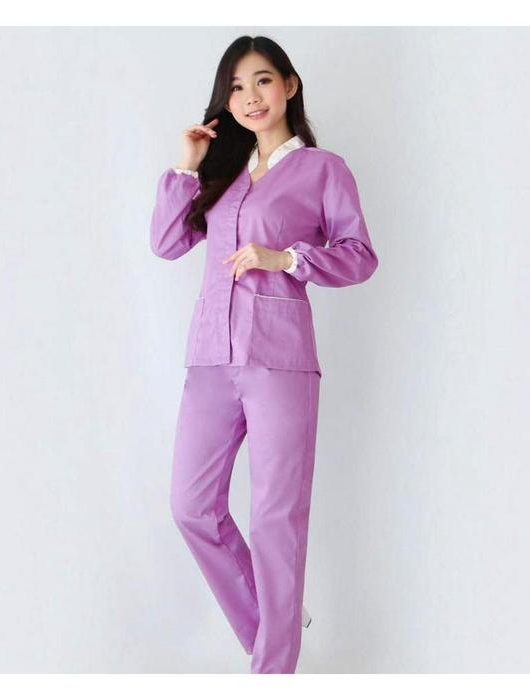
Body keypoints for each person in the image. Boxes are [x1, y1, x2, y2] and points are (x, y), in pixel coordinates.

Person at [149, 35, 379, 673]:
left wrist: (288, 259)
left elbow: (360, 255)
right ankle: (278, 623)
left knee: (276, 518)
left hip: (280, 361)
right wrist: (188, 165)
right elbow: (166, 243)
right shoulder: (222, 173)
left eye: (262, 81)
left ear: (289, 85)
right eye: (236, 87)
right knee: (191, 506)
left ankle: (273, 670)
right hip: (209, 360)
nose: (250, 97)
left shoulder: (323, 169)